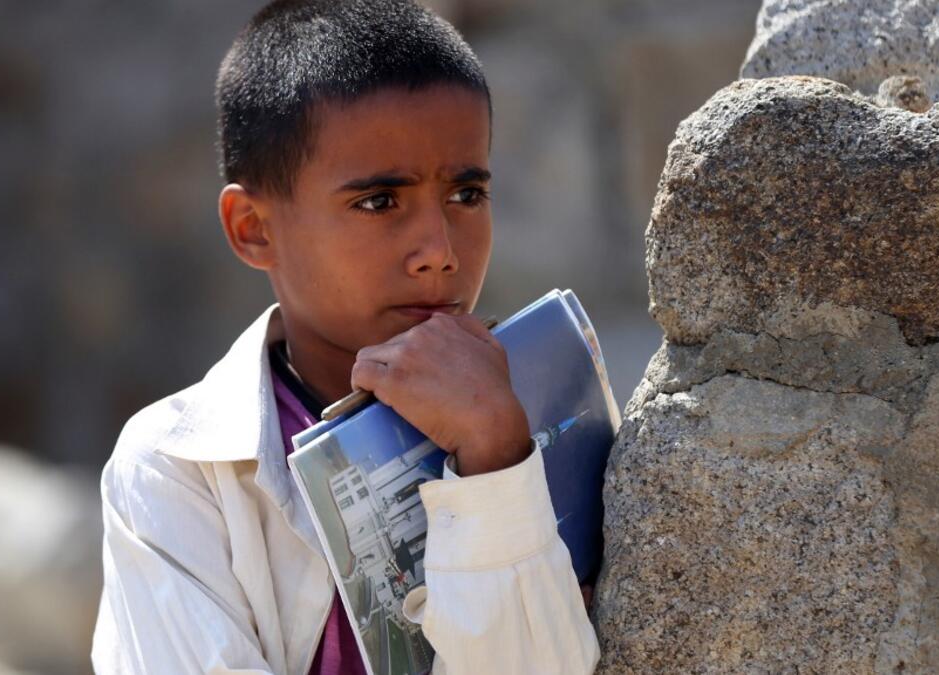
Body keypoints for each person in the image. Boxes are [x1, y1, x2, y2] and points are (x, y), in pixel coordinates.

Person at [91, 1, 599, 673]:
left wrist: (496, 459)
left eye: (467, 194)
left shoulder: (553, 405)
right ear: (253, 227)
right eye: (379, 202)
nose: (439, 251)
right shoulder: (181, 470)